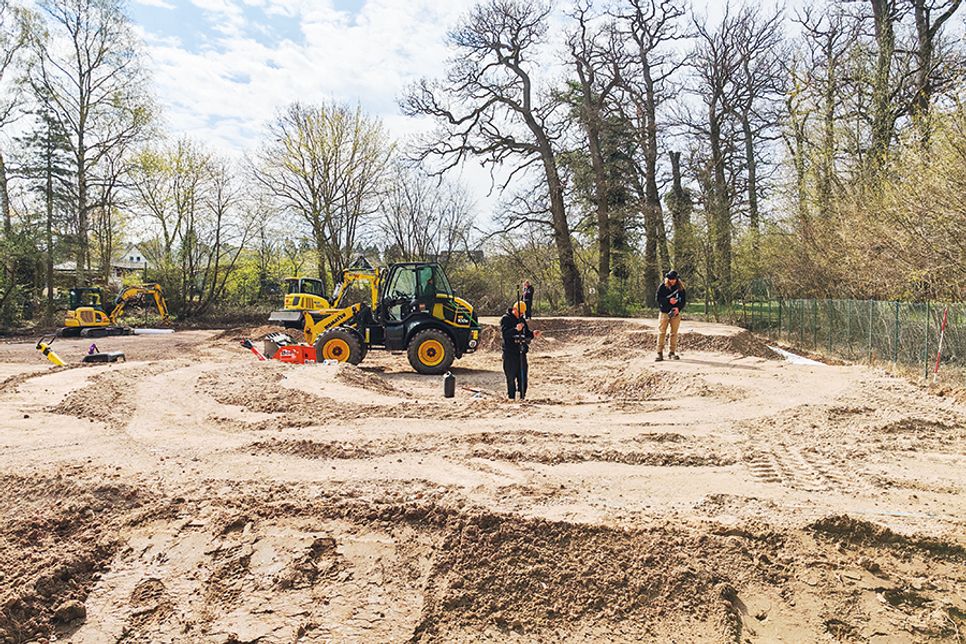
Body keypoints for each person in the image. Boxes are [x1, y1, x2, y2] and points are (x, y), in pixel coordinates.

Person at [500, 301, 541, 399]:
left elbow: (526, 334)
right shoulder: (505, 319)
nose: (521, 315)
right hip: (510, 353)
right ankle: (511, 397)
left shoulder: (522, 320)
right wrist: (515, 329)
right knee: (510, 376)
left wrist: (532, 334)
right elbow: (505, 334)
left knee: (522, 377)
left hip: (521, 352)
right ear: (514, 310)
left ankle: (522, 396)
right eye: (520, 313)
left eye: (523, 313)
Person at [655, 270, 686, 361]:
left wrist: (678, 308)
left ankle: (672, 352)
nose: (672, 281)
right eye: (670, 279)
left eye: (674, 279)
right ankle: (659, 352)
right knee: (662, 332)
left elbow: (683, 301)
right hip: (664, 312)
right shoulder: (662, 287)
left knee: (674, 333)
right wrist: (668, 301)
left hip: (675, 313)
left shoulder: (681, 288)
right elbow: (658, 299)